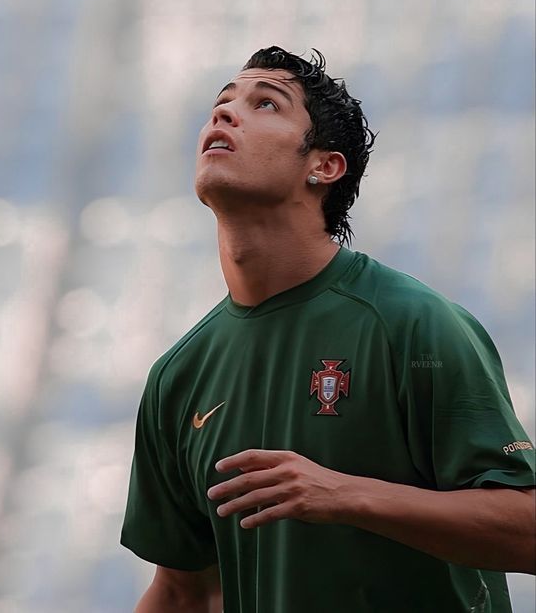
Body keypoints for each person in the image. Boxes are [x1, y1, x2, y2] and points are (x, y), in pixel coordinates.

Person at [120, 46, 535, 612]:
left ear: (324, 165)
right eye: (220, 103)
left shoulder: (412, 324)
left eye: (265, 103)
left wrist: (345, 495)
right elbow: (183, 593)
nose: (223, 114)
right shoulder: (178, 374)